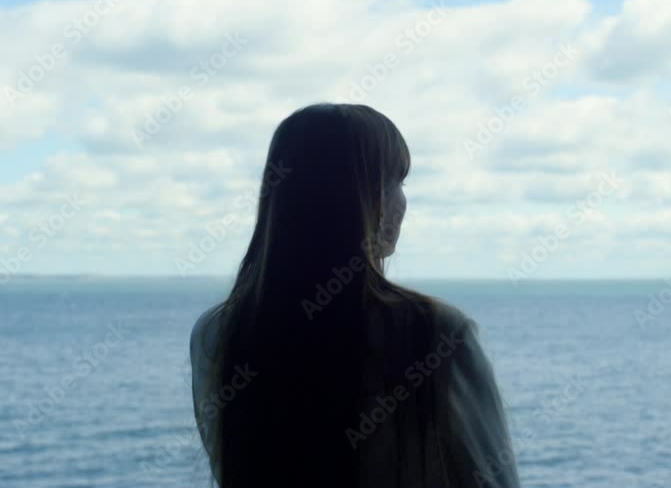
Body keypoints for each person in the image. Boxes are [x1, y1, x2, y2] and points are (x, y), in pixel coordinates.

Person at [189, 103, 521, 487]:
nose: (401, 202)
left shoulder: (217, 333)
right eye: (394, 181)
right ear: (357, 198)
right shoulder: (436, 332)